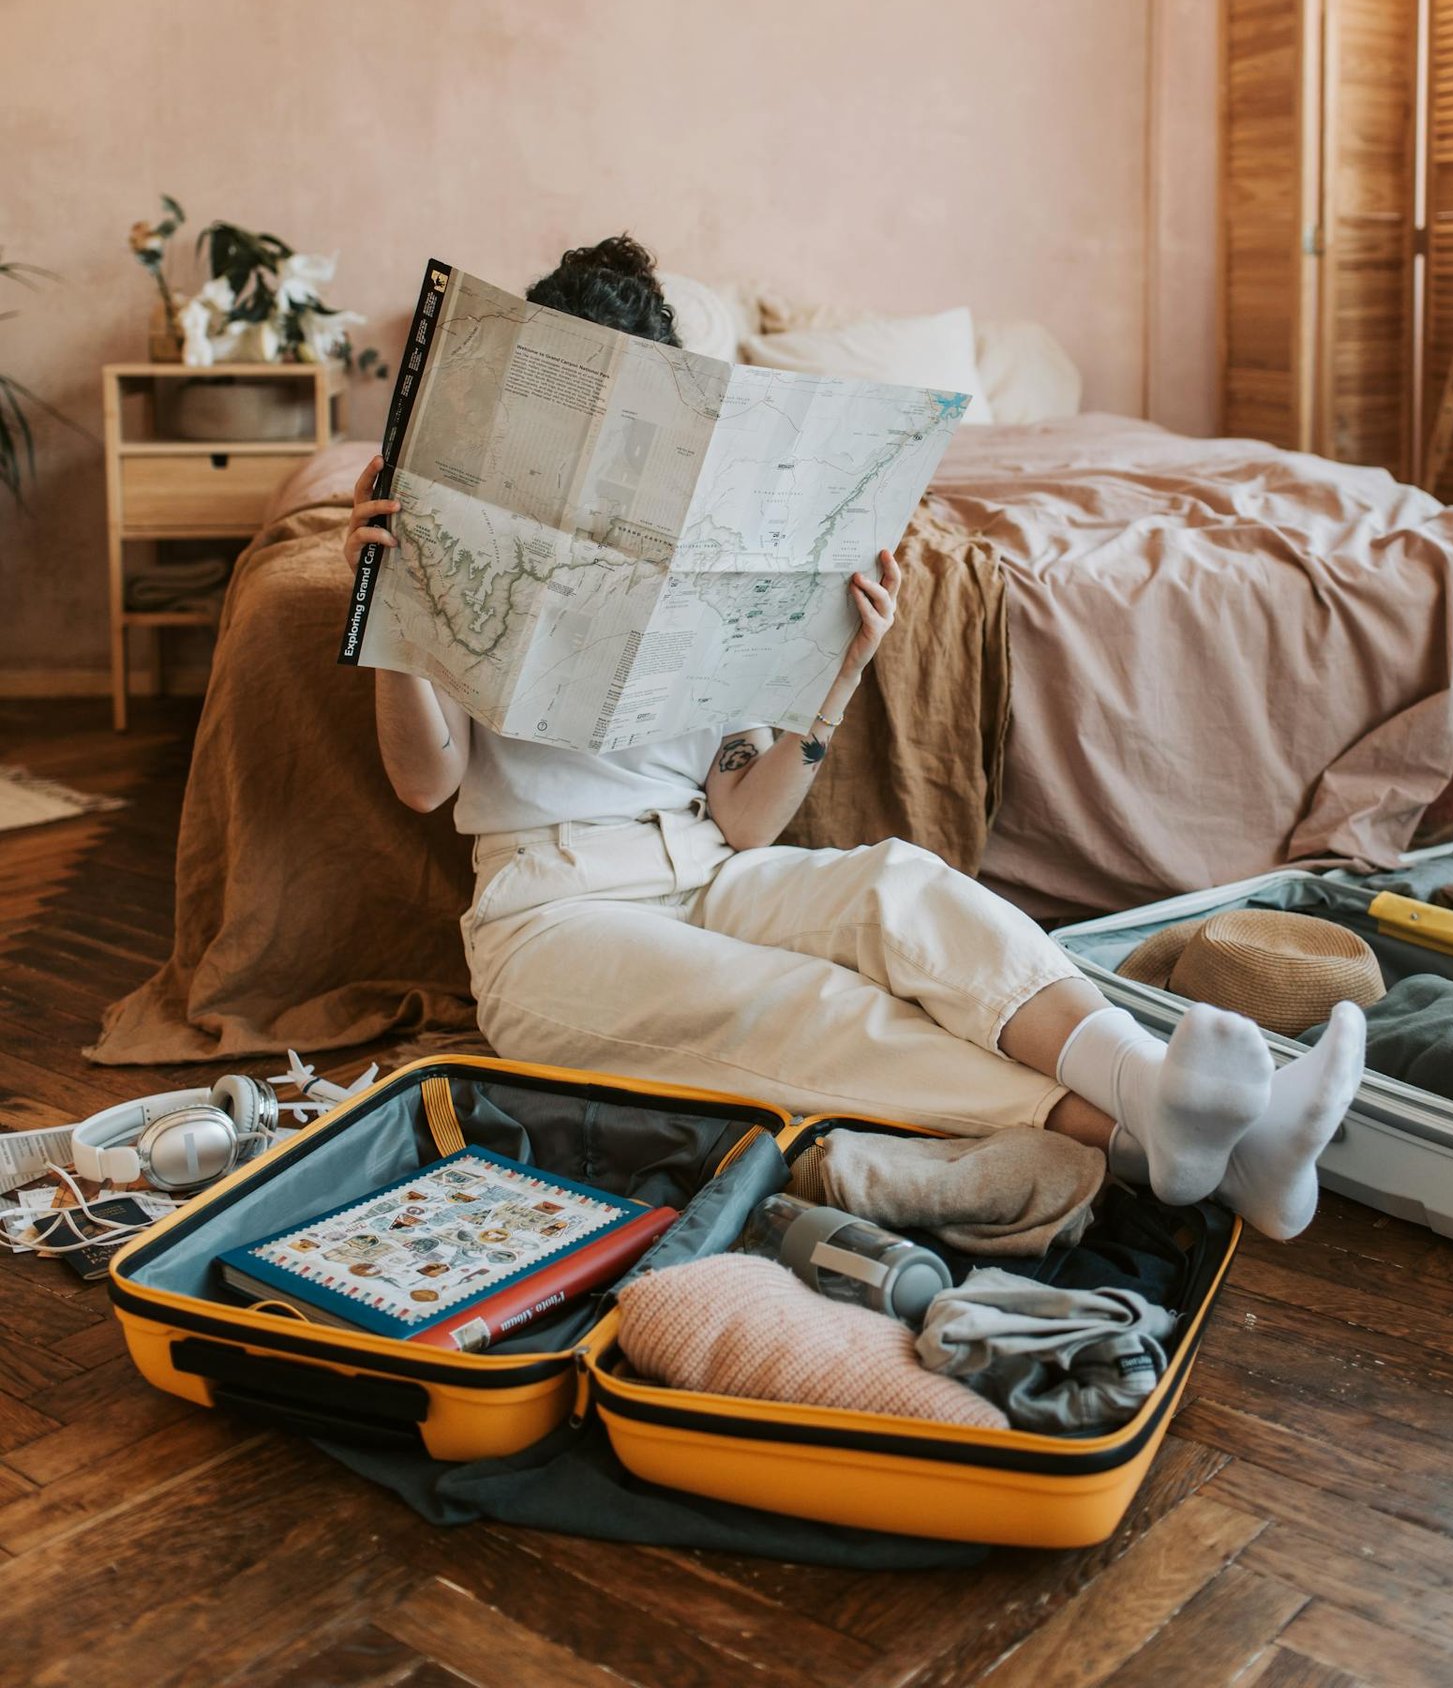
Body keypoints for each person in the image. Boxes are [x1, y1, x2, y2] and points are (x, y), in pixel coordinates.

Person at [346, 236, 1366, 1240]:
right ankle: (1179, 1152)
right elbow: (423, 785)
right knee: (810, 1007)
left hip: (707, 870)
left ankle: (1169, 1094)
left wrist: (837, 670)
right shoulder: (460, 522)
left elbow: (744, 823)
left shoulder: (708, 534)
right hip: (553, 916)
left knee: (899, 888)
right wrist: (386, 609)